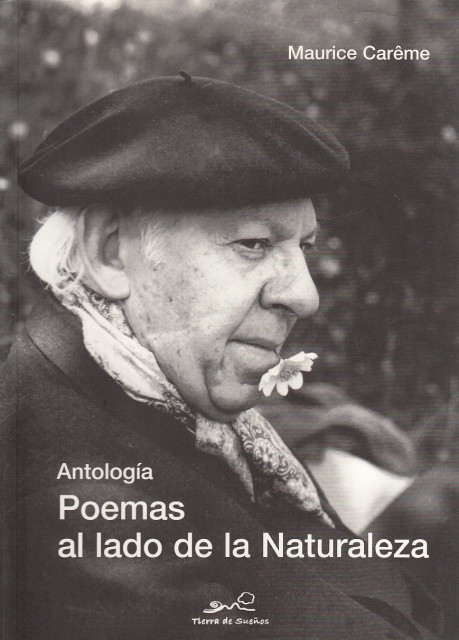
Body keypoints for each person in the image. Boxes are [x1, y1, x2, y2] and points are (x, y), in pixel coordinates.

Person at [1, 73, 440, 639]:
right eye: (253, 243)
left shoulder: (173, 409)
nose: (305, 295)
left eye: (304, 247)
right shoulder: (75, 508)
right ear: (110, 252)